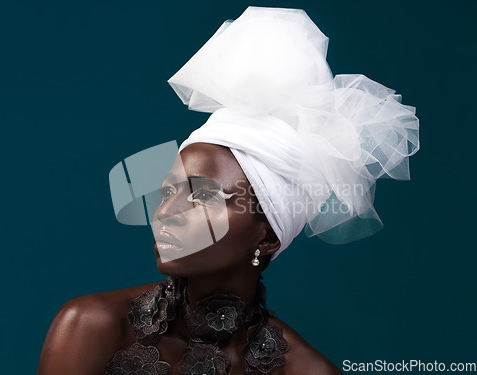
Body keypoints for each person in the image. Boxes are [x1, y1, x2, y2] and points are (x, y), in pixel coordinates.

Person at [38, 6, 419, 375]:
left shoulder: (307, 371)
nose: (165, 212)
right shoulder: (92, 326)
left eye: (203, 196)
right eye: (168, 191)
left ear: (268, 235)